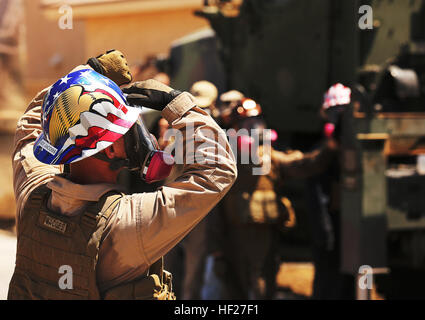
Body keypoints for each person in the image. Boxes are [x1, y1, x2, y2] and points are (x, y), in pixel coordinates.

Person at [8, 50, 237, 300]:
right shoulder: (129, 222)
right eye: (127, 129)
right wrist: (176, 103)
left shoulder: (30, 193)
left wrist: (85, 80)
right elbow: (218, 170)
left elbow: (30, 125)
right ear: (111, 147)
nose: (136, 135)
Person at [202, 89, 302, 300]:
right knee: (233, 291)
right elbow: (213, 211)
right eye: (249, 125)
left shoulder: (269, 157)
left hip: (265, 239)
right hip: (234, 242)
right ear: (236, 128)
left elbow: (301, 164)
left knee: (264, 287)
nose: (255, 130)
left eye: (257, 123)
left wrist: (330, 147)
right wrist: (217, 250)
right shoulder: (224, 162)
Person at [275, 83, 355, 300]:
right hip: (331, 222)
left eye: (340, 112)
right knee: (328, 275)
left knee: (349, 277)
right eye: (333, 112)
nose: (336, 118)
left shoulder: (354, 150)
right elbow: (317, 194)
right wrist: (324, 229)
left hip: (349, 224)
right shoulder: (323, 154)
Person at [164, 80, 220, 300]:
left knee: (172, 259)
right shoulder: (211, 128)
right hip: (195, 202)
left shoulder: (177, 124)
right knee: (193, 262)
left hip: (173, 200)